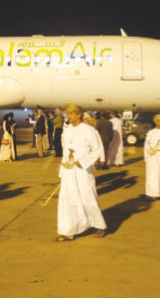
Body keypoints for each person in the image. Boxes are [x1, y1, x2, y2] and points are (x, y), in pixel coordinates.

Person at [55, 103, 107, 242]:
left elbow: (97, 150)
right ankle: (68, 230)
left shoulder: (89, 130)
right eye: (67, 113)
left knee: (87, 197)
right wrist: (63, 170)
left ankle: (98, 224)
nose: (69, 116)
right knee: (67, 199)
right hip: (68, 170)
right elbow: (65, 151)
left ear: (79, 115)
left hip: (83, 171)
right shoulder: (67, 130)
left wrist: (83, 161)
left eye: (72, 113)